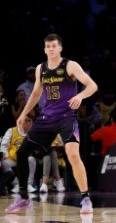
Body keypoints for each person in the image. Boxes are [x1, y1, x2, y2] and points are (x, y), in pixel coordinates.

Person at [5, 33, 98, 214]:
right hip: (46, 118)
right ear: (44, 49)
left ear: (60, 48)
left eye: (54, 46)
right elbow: (36, 94)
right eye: (48, 46)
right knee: (22, 152)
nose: (51, 49)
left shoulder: (70, 65)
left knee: (72, 155)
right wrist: (23, 114)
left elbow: (92, 86)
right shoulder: (41, 68)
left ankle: (85, 198)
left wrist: (80, 95)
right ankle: (24, 198)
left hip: (66, 118)